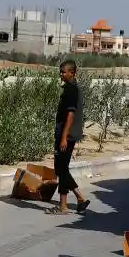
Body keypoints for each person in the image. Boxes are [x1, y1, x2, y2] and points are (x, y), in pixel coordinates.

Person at [46, 61, 90, 216]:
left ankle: (80, 197)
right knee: (61, 168)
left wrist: (64, 137)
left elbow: (70, 114)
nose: (61, 74)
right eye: (61, 71)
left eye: (64, 72)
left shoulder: (71, 89)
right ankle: (63, 205)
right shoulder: (73, 88)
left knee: (62, 168)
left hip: (67, 134)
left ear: (72, 73)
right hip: (69, 133)